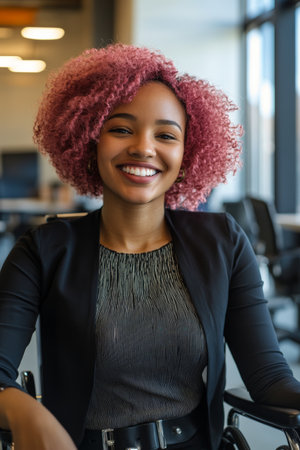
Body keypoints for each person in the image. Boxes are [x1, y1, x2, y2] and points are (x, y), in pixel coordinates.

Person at [0, 43, 300, 450]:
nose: (143, 148)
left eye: (165, 135)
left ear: (186, 153)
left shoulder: (222, 242)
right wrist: (23, 409)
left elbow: (269, 378)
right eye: (121, 129)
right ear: (90, 139)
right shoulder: (44, 250)